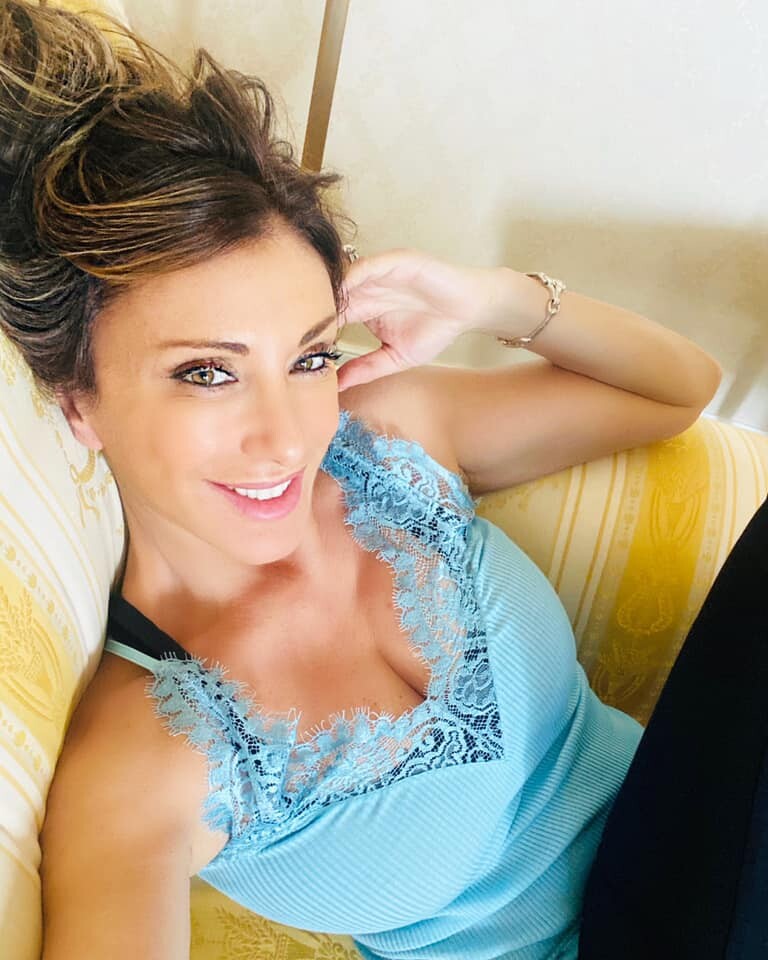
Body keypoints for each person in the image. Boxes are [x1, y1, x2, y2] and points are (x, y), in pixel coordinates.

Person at [1, 2, 763, 959]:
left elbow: (677, 389)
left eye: (310, 357)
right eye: (207, 373)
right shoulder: (148, 761)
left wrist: (489, 298)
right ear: (79, 403)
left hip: (709, 811)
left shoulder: (385, 443)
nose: (287, 436)